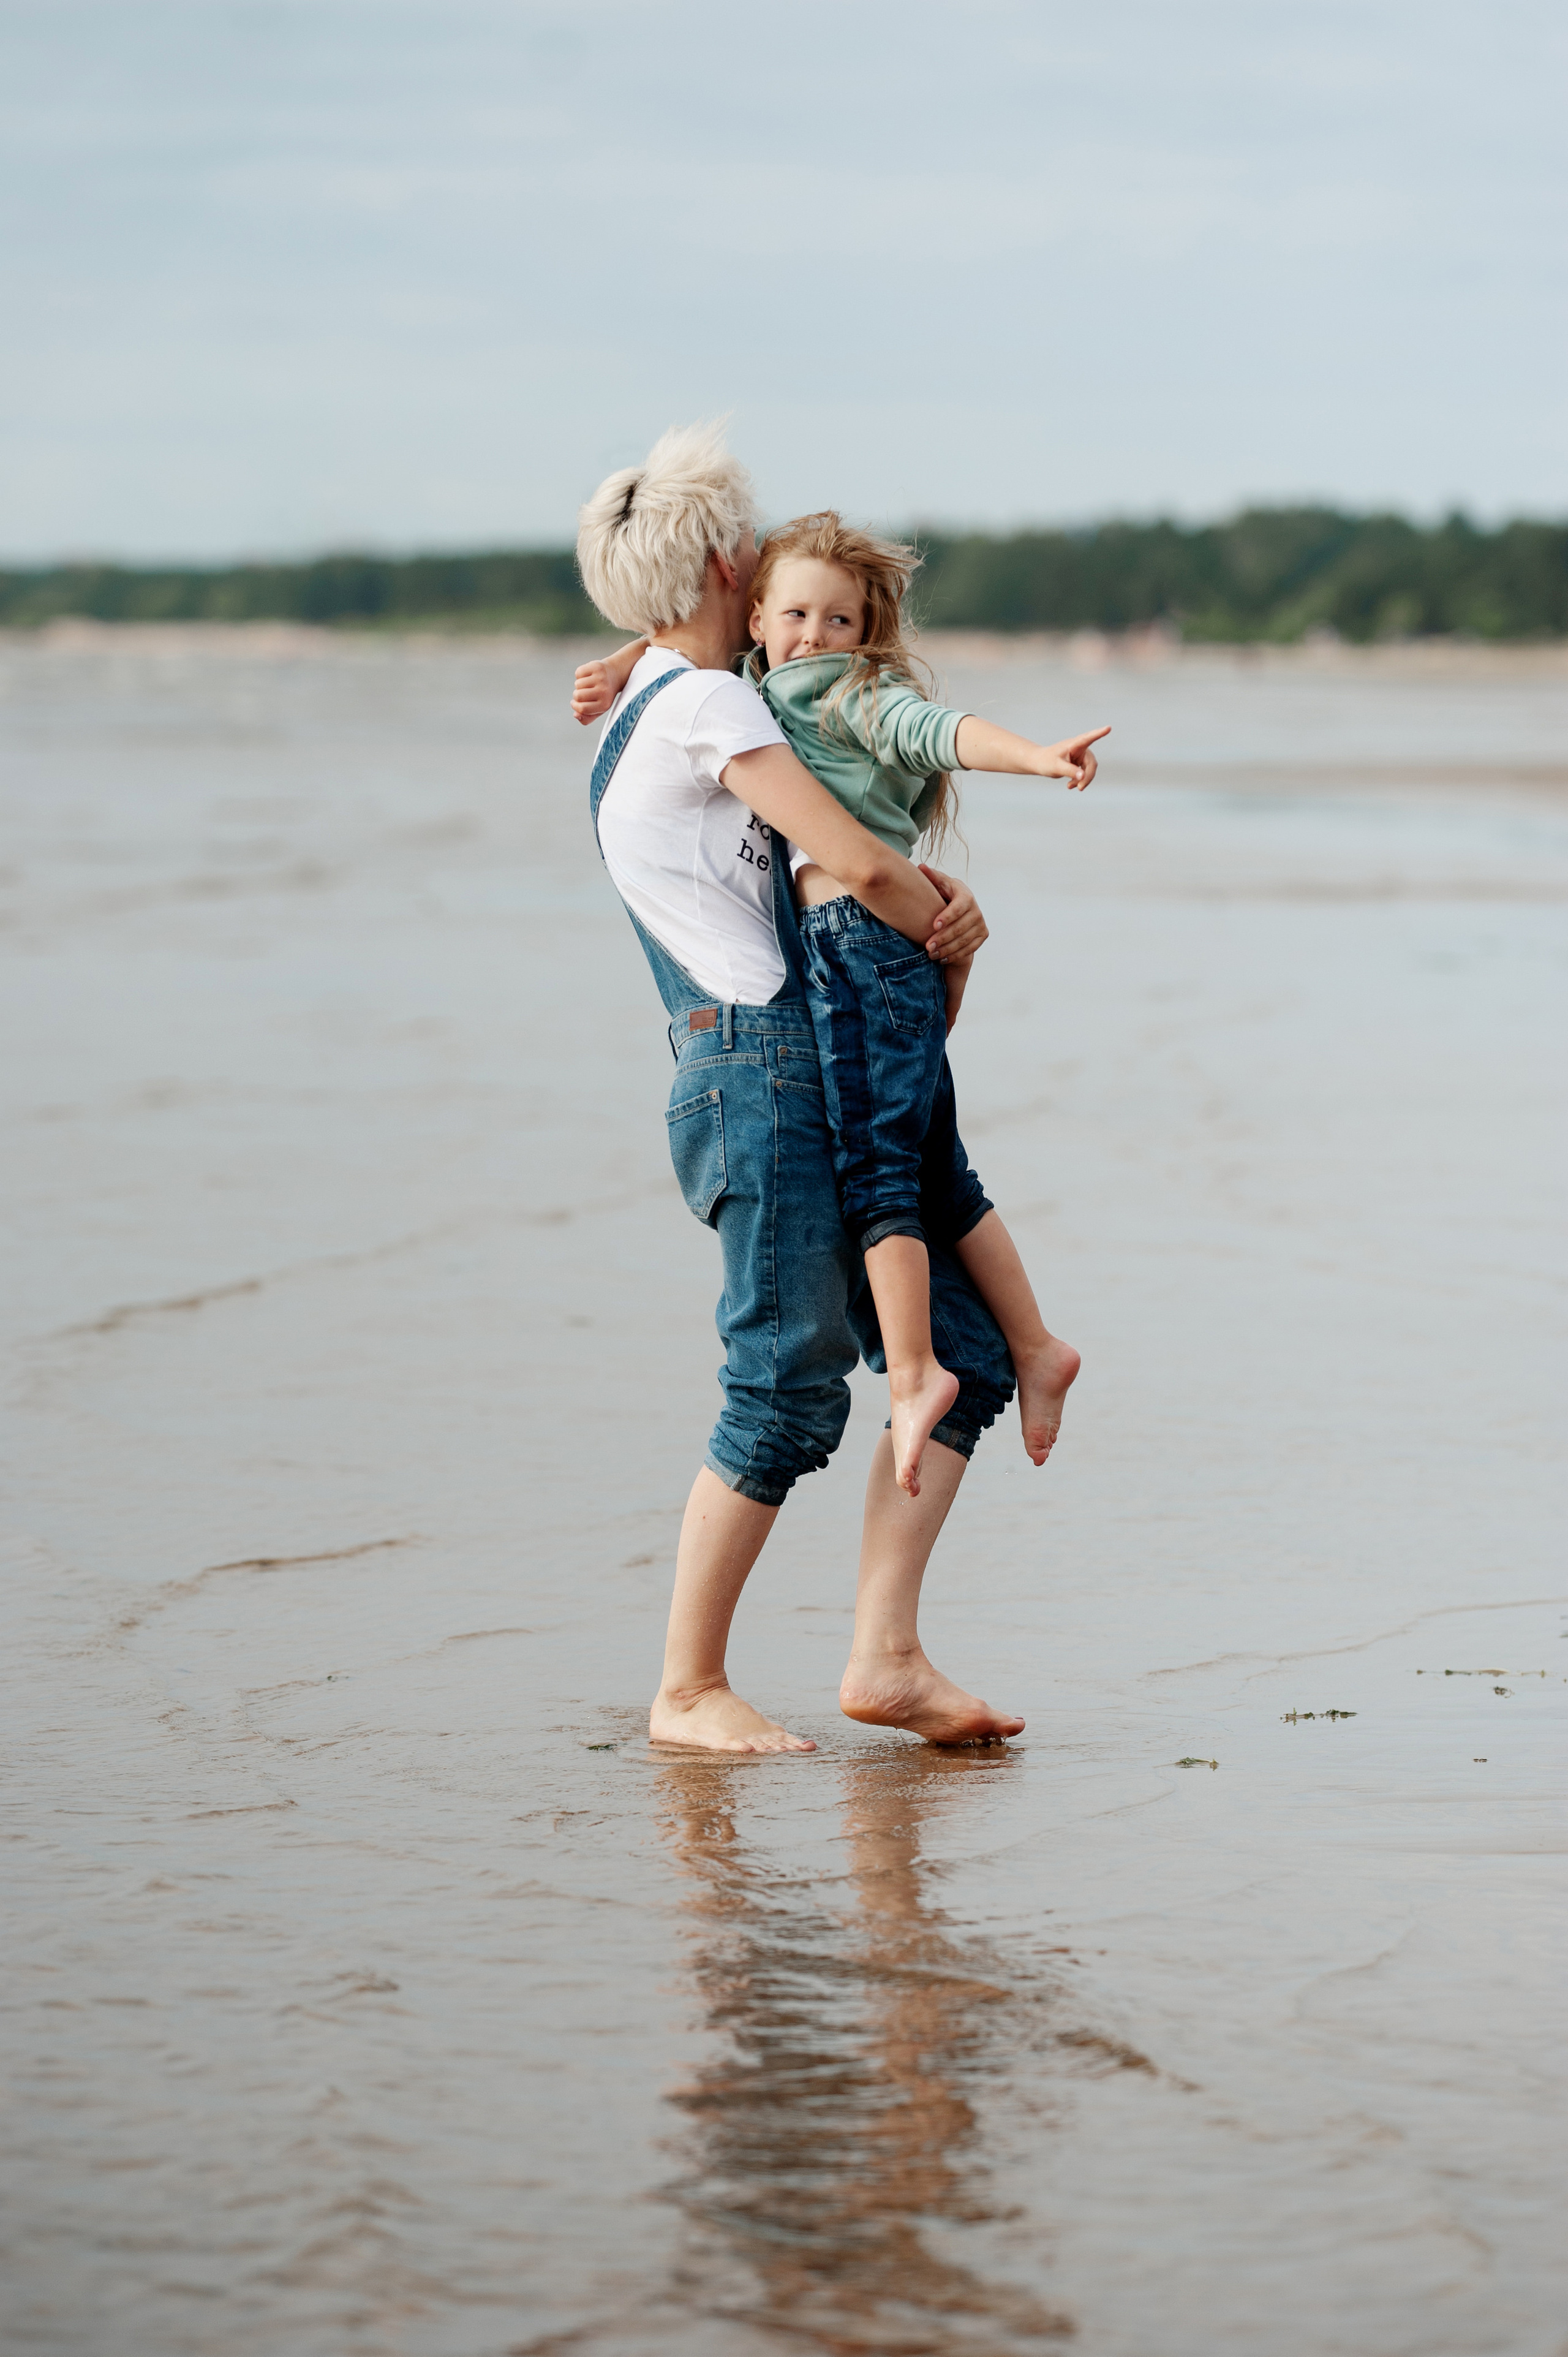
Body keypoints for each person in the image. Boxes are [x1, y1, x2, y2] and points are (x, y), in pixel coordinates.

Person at [575, 422, 1026, 1755]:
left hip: (772, 1057)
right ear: (728, 559)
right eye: (753, 540)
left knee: (962, 1353)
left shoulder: (660, 694)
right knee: (781, 1380)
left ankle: (885, 1655)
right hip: (761, 1066)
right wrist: (944, 921)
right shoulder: (706, 704)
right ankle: (686, 1686)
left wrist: (930, 907)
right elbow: (855, 859)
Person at [575, 510, 1104, 1496]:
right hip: (855, 951)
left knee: (884, 1179)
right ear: (757, 610)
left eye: (840, 622)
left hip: (859, 943)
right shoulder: (744, 687)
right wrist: (622, 663)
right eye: (796, 617)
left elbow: (939, 735)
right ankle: (1030, 1347)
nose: (812, 637)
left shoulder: (842, 694)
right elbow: (694, 629)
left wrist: (1038, 756)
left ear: (869, 638)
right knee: (938, 1170)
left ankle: (915, 1376)